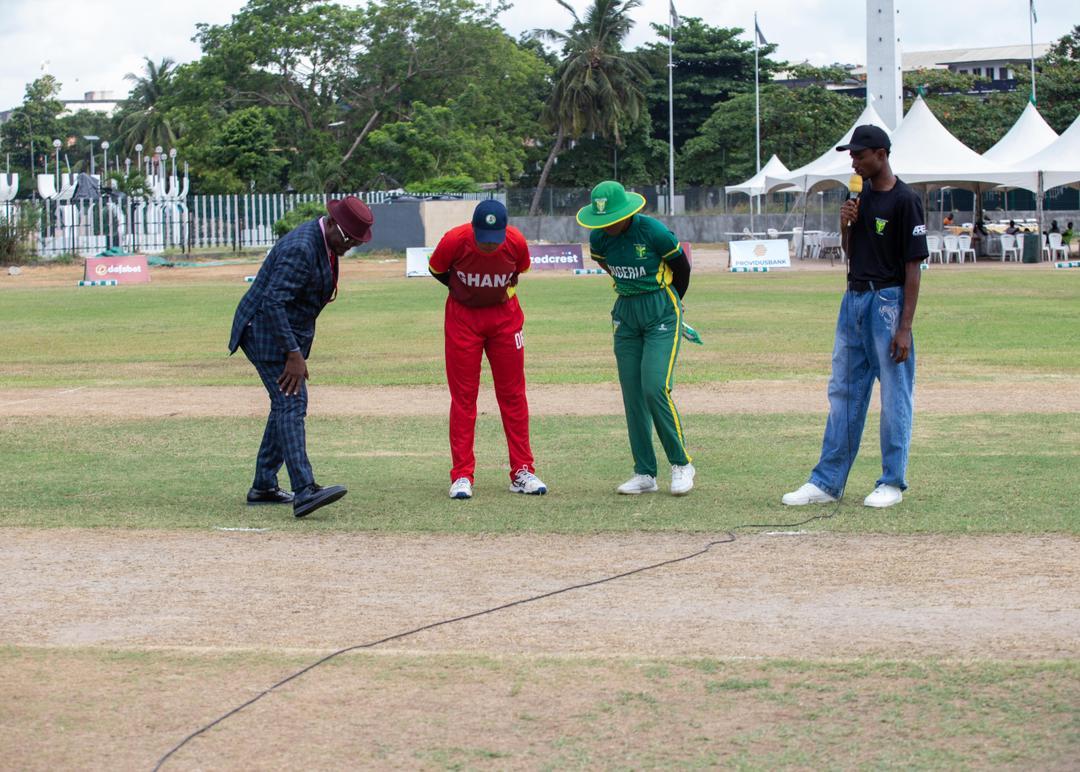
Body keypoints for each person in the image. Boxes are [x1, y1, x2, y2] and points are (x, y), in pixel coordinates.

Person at [782, 125, 927, 509]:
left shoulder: (905, 200)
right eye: (851, 155)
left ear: (880, 154)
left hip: (887, 303)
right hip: (853, 300)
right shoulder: (857, 200)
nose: (854, 161)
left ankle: (892, 482)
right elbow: (851, 251)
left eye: (859, 155)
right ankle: (827, 483)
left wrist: (905, 328)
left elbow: (913, 267)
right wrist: (845, 223)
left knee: (895, 393)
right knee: (844, 392)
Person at [228, 196, 373, 518]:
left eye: (356, 241)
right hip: (263, 331)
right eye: (348, 238)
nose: (350, 246)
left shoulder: (327, 244)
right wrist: (293, 354)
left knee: (284, 405)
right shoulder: (301, 248)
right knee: (292, 403)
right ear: (332, 223)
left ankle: (264, 484)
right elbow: (273, 303)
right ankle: (305, 490)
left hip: (284, 332)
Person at [576, 181, 695, 496]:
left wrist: (674, 305)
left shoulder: (652, 231)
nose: (607, 226)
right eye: (602, 221)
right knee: (632, 394)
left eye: (612, 219)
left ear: (626, 212)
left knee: (654, 387)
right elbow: (610, 267)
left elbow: (681, 268)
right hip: (625, 315)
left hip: (661, 311)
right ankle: (645, 472)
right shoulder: (599, 238)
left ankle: (681, 464)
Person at [428, 200, 547, 500]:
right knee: (464, 398)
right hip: (462, 319)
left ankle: (522, 471)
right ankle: (462, 475)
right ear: (473, 228)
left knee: (513, 394)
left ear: (505, 232)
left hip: (504, 319)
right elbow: (436, 269)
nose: (489, 246)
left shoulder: (516, 242)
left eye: (494, 240)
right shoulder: (455, 240)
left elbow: (519, 270)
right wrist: (464, 291)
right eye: (483, 239)